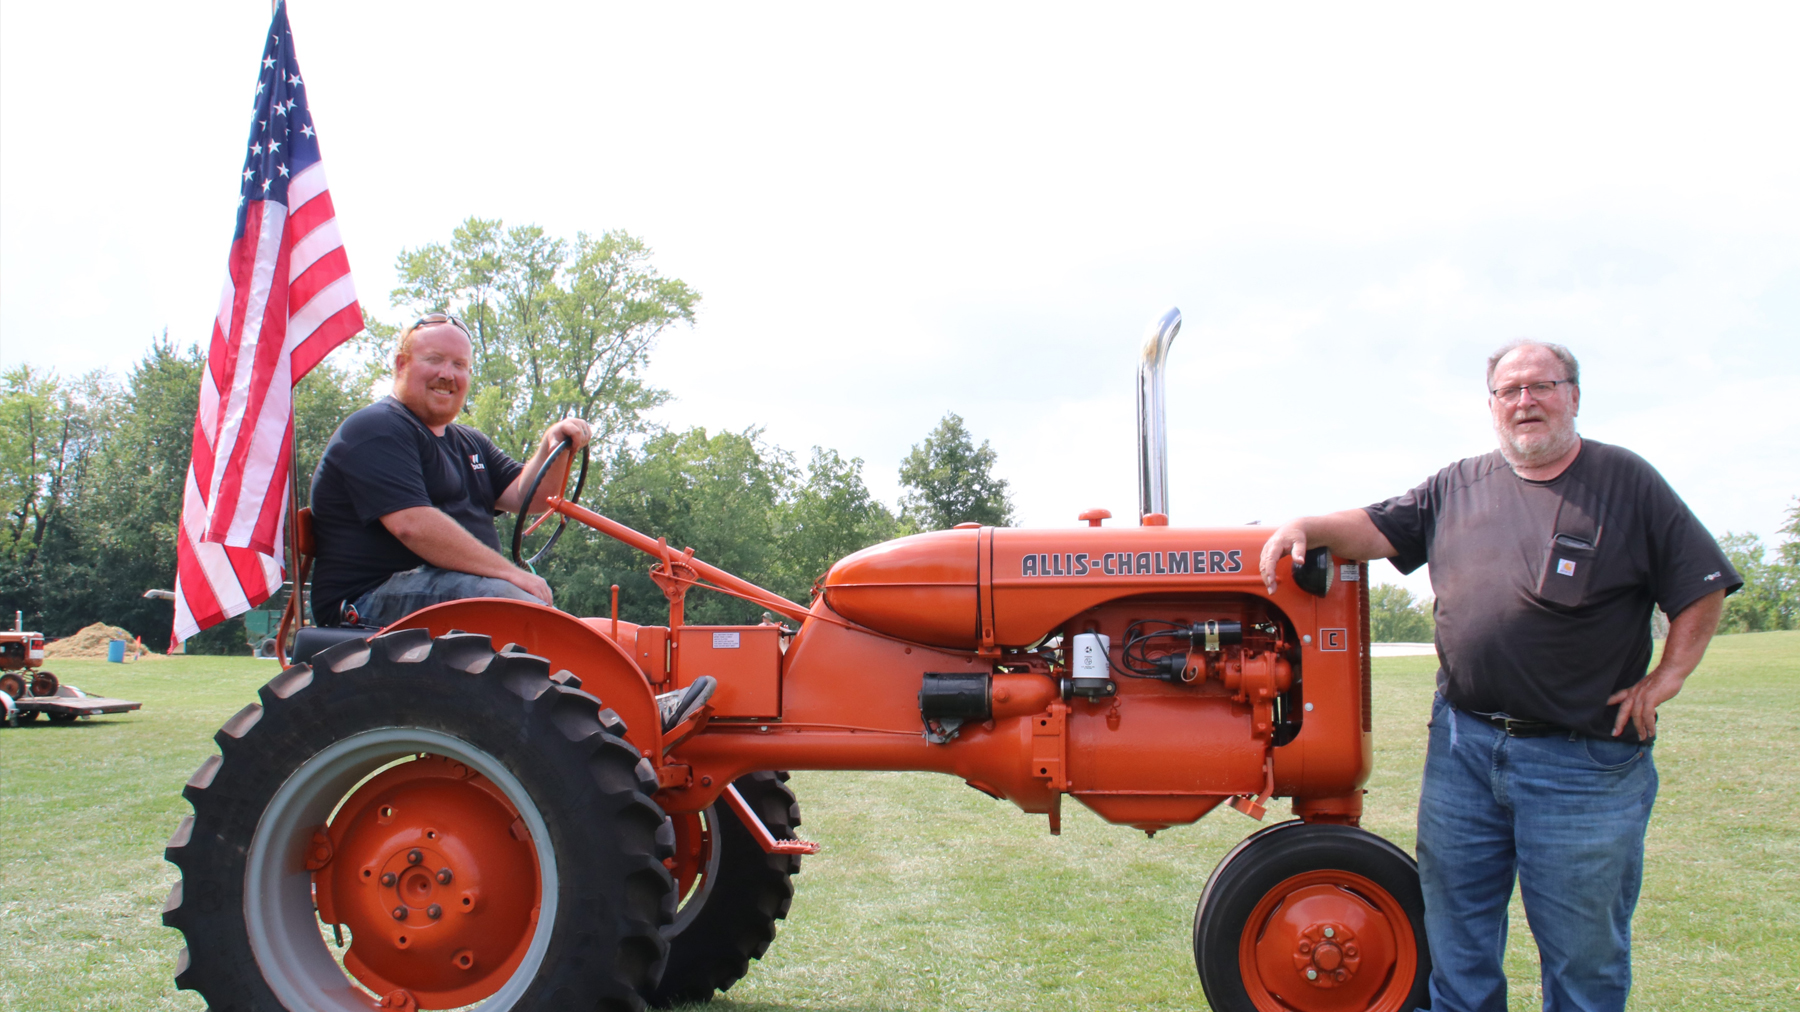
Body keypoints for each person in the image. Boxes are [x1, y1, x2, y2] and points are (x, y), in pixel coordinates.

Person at [1257, 340, 1739, 1012]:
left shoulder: (1625, 482)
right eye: (1509, 391)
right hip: (1465, 750)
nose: (1525, 401)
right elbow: (1375, 527)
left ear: (1573, 394)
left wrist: (1669, 676)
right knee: (1458, 947)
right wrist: (1307, 523)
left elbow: (1702, 583)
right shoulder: (1458, 484)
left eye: (1541, 386)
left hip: (1583, 763)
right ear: (1491, 407)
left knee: (1583, 958)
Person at [308, 313, 591, 627]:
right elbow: (412, 524)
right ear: (401, 365)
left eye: (459, 365)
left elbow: (531, 497)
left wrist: (553, 445)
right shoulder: (378, 428)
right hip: (369, 598)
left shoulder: (470, 442)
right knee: (517, 607)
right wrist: (510, 573)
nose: (447, 374)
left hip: (445, 588)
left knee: (564, 623)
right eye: (434, 360)